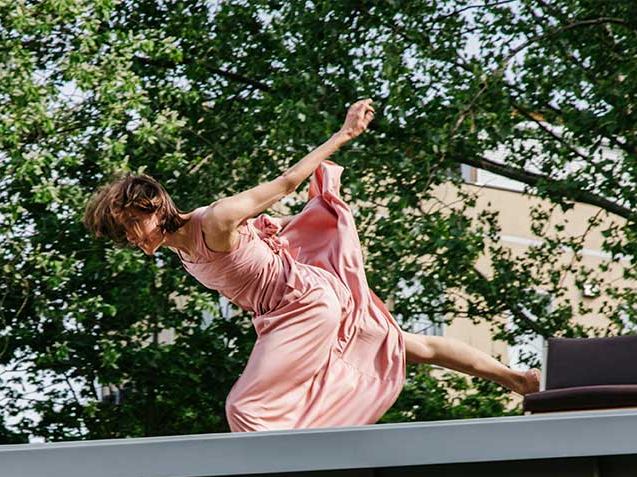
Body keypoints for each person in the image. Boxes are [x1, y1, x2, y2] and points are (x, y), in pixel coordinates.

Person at [83, 98, 540, 432]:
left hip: (304, 304)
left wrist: (344, 134)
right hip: (293, 309)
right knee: (405, 346)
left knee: (246, 408)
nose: (130, 239)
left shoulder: (216, 220)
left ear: (152, 206)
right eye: (122, 235)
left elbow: (286, 183)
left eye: (130, 226)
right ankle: (517, 379)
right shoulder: (181, 250)